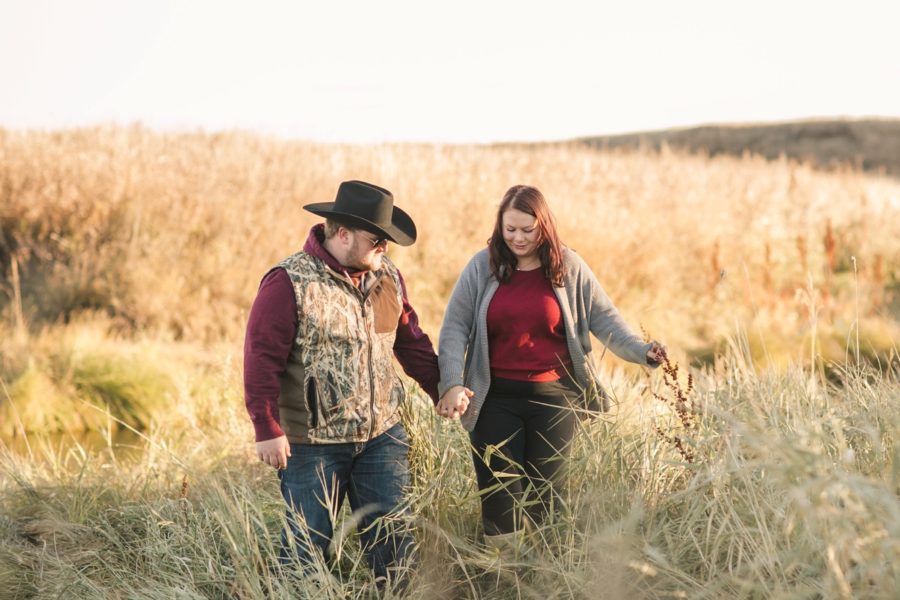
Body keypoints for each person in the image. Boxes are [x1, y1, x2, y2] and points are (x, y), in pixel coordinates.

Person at [436, 184, 665, 552]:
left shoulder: (567, 265)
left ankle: (544, 579)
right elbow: (454, 328)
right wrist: (451, 382)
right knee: (499, 498)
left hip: (555, 399)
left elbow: (604, 318)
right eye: (510, 229)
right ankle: (505, 579)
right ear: (500, 226)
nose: (519, 238)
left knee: (547, 500)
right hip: (494, 398)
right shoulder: (483, 265)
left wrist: (642, 351)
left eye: (528, 229)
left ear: (544, 225)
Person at [243, 180, 441, 583]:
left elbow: (409, 341)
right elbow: (261, 358)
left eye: (387, 241)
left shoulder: (387, 276)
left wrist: (441, 388)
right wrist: (266, 426)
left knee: (394, 542)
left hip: (382, 436)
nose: (384, 248)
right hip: (311, 444)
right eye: (377, 239)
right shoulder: (289, 281)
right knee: (307, 546)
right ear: (343, 233)